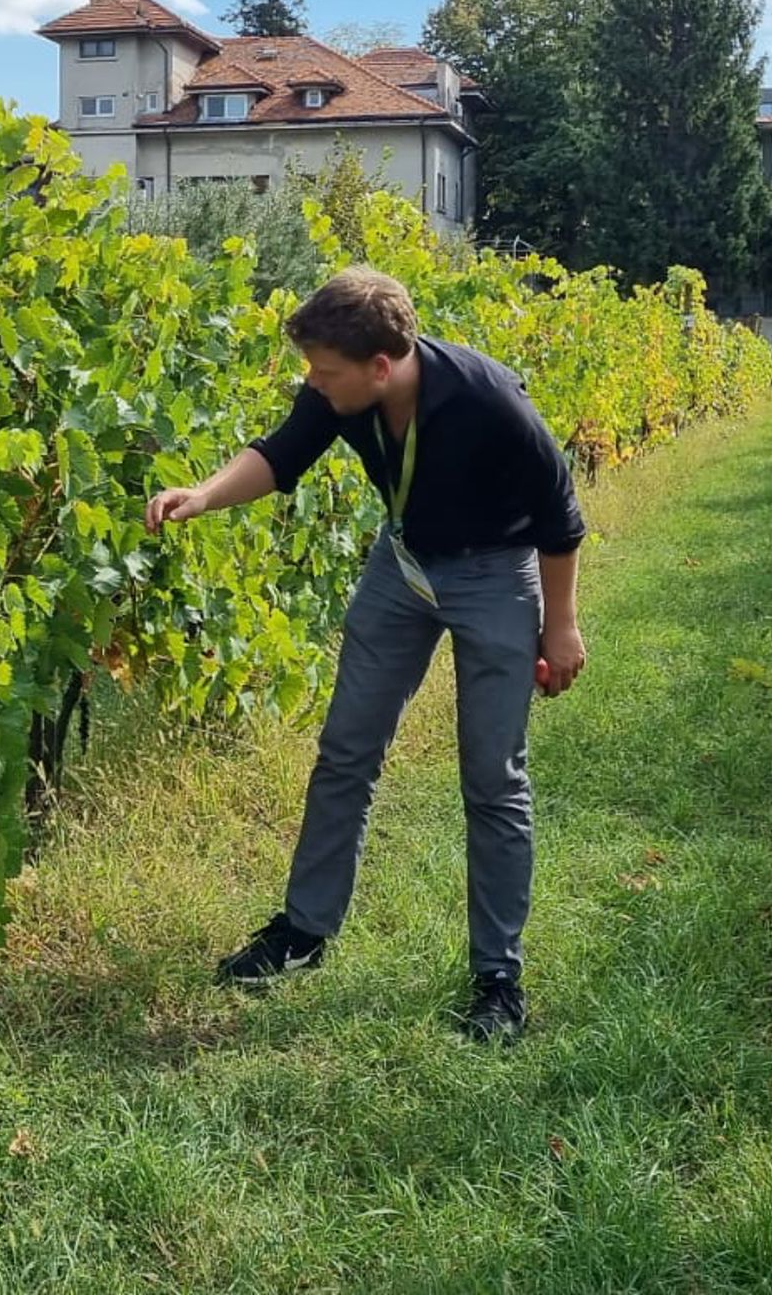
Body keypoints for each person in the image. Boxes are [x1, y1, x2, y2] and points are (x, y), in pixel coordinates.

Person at [144, 265, 587, 1042]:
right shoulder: (337, 393)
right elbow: (281, 456)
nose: (313, 382)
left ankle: (497, 978)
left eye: (326, 370)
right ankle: (304, 933)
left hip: (495, 572)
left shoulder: (489, 400)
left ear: (381, 367)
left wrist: (561, 627)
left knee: (492, 777)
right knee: (346, 748)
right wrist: (205, 494)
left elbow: (560, 516)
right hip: (403, 565)